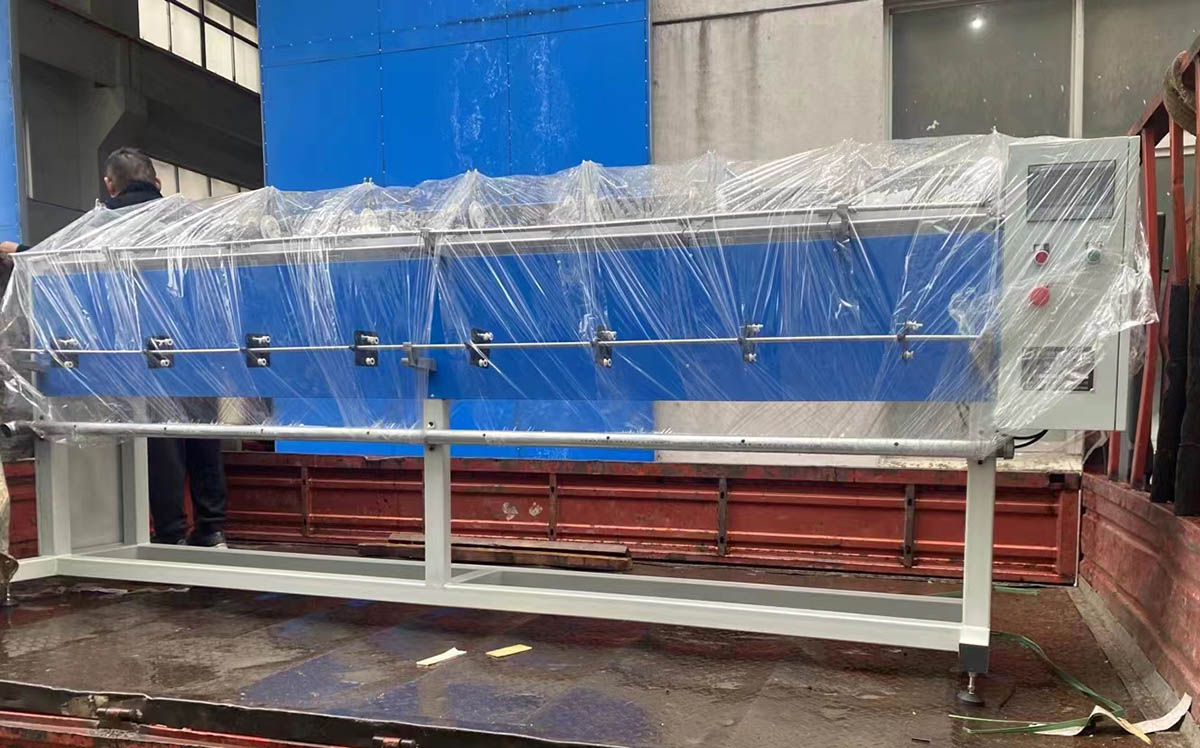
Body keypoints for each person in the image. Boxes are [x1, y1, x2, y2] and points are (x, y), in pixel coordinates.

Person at [6, 147, 228, 547]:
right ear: (157, 182)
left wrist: (17, 253)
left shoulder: (105, 223)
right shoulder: (191, 221)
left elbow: (58, 258)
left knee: (162, 439)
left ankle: (171, 534)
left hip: (147, 354)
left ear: (110, 185)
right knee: (204, 434)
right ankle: (212, 529)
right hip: (201, 349)